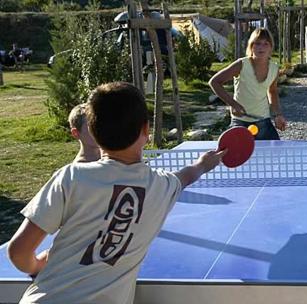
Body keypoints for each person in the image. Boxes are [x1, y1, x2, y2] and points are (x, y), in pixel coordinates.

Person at [7, 82, 225, 304]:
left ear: (91, 130)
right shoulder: (162, 186)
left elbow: (18, 252)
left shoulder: (71, 177)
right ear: (146, 130)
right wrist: (203, 163)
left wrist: (36, 266)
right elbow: (187, 175)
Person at [209, 28, 286, 140]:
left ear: (271, 48)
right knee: (237, 157)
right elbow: (214, 82)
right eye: (257, 43)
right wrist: (233, 104)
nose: (261, 47)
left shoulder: (274, 68)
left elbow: (272, 91)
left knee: (273, 156)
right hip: (240, 122)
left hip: (263, 121)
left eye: (266, 44)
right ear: (251, 46)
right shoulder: (241, 64)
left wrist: (278, 114)